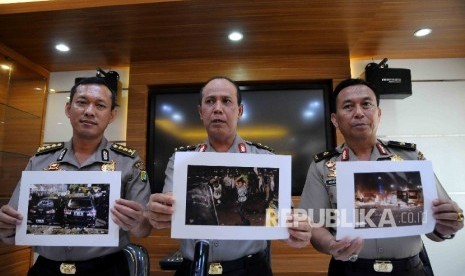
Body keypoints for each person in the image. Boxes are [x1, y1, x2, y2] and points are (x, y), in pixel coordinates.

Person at [146, 76, 312, 276]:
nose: (217, 108)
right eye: (210, 101)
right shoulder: (182, 160)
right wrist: (158, 213)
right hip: (194, 268)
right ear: (200, 112)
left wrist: (294, 231)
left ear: (239, 111)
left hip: (249, 269)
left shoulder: (264, 159)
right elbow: (171, 211)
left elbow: (283, 220)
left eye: (226, 101)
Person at [299, 78, 464, 276]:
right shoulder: (323, 167)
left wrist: (450, 223)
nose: (359, 113)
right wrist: (331, 245)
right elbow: (315, 224)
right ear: (335, 119)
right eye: (348, 106)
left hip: (409, 269)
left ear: (378, 113)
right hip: (350, 269)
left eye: (366, 104)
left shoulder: (410, 158)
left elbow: (437, 224)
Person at [0, 76, 152, 276]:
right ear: (68, 109)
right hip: (47, 268)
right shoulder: (40, 161)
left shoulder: (129, 162)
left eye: (100, 105)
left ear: (112, 115)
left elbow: (144, 230)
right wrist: (6, 225)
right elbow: (11, 233)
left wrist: (137, 221)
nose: (89, 111)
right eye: (82, 102)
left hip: (106, 269)